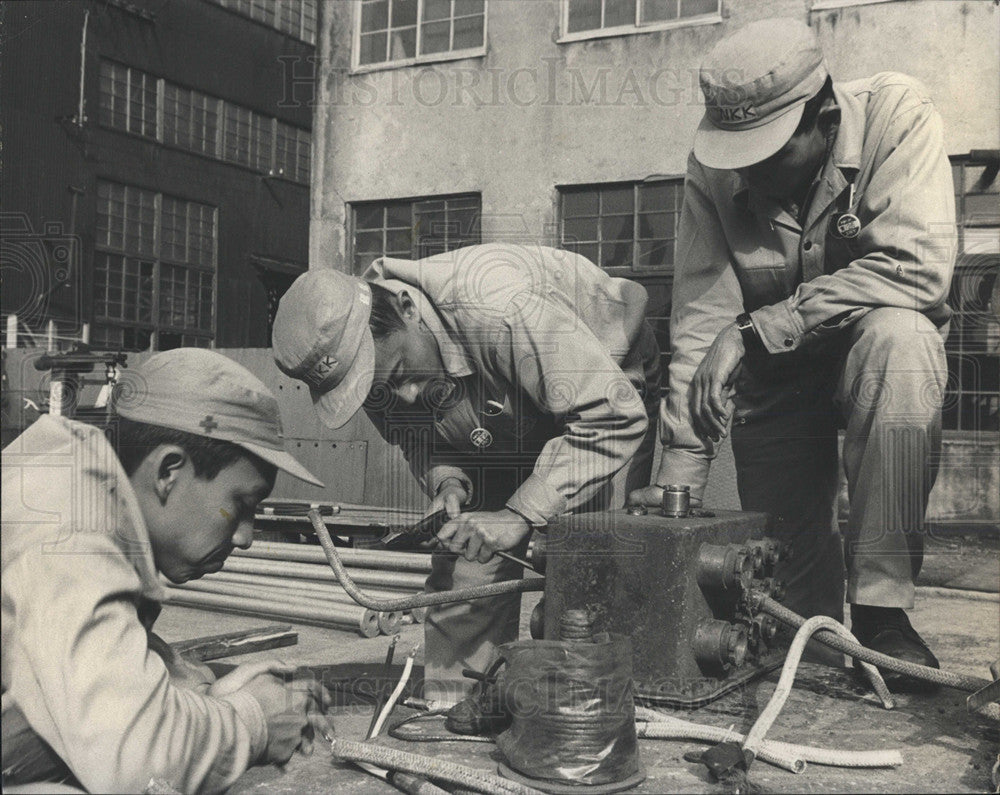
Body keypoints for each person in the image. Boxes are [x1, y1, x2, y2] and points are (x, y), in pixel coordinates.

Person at [629, 18, 956, 689]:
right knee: (790, 638)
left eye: (770, 152)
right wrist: (674, 503)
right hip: (777, 384)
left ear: (825, 115)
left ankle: (882, 613)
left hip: (873, 356)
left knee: (903, 338)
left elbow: (920, 269)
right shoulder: (714, 173)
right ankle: (819, 631)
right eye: (738, 153)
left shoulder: (900, 115)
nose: (748, 170)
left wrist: (756, 328)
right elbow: (701, 328)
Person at [273, 243, 661, 704]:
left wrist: (519, 514)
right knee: (468, 561)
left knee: (587, 562)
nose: (410, 396)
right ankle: (457, 705)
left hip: (601, 376)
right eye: (384, 391)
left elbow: (610, 417)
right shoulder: (375, 366)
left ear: (407, 308)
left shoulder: (501, 308)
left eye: (401, 374)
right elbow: (417, 437)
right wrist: (448, 482)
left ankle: (589, 716)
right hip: (502, 399)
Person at [2, 348, 329, 793]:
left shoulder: (82, 488)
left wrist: (203, 689)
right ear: (169, 471)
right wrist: (251, 721)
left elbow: (90, 669)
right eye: (242, 505)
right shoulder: (67, 534)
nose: (246, 537)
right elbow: (135, 763)